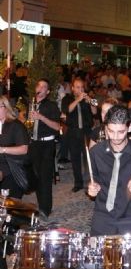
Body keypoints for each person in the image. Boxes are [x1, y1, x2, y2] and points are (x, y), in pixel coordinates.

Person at [87, 105, 131, 235]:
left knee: (130, 256)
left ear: (129, 127)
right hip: (102, 218)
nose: (116, 137)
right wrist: (91, 187)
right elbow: (90, 177)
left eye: (121, 132)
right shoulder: (96, 152)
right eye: (111, 131)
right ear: (105, 127)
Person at [28, 79, 61, 219]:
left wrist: (40, 117)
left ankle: (45, 209)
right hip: (34, 143)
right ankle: (41, 205)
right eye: (39, 85)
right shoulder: (32, 104)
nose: (40, 88)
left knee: (45, 177)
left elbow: (57, 127)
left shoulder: (51, 106)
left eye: (44, 87)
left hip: (47, 145)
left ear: (47, 92)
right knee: (36, 176)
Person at [61, 78, 97, 192]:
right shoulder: (67, 98)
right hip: (73, 131)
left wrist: (90, 101)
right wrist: (78, 100)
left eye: (82, 87)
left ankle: (90, 181)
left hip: (86, 131)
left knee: (88, 158)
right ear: (72, 88)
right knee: (75, 158)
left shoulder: (87, 99)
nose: (80, 89)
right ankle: (78, 183)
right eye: (77, 87)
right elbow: (67, 110)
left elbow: (95, 112)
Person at [0, 96, 29, 199]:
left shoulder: (15, 125)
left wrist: (2, 149)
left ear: (6, 108)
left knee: (10, 206)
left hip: (13, 170)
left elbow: (24, 149)